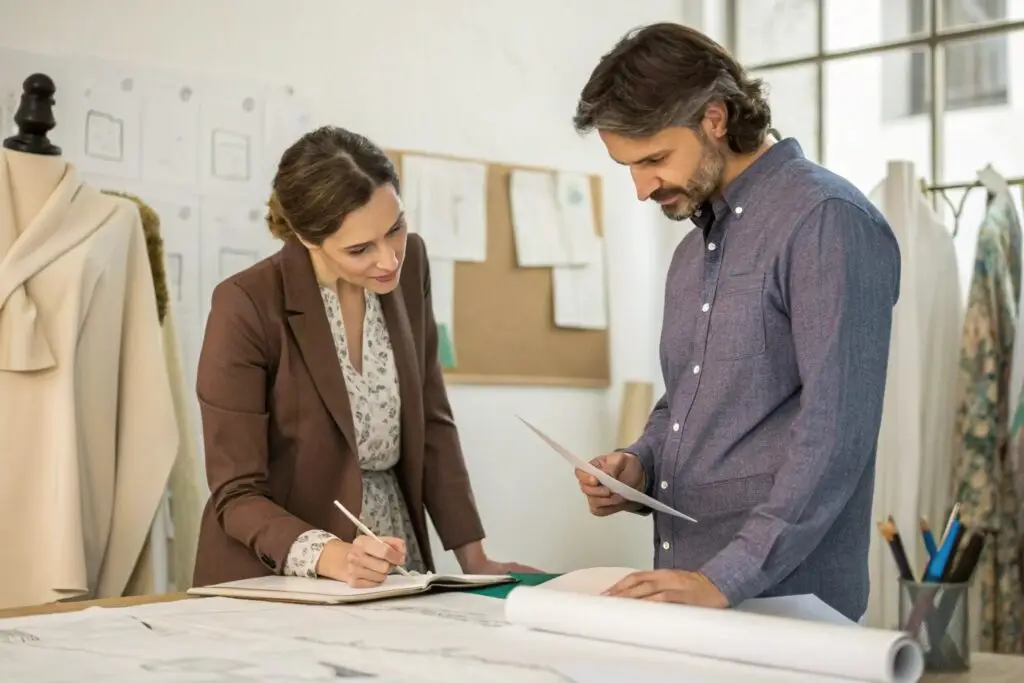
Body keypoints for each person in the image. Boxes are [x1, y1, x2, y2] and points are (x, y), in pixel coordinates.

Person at [572, 23, 900, 621]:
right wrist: (639, 463)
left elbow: (835, 433)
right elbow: (690, 402)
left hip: (790, 603)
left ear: (715, 119)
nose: (642, 188)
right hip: (690, 593)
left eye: (654, 160)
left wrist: (724, 579)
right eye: (629, 167)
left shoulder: (827, 221)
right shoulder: (691, 252)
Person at [192, 126, 538, 588]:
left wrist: (473, 557)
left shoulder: (410, 263)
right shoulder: (246, 304)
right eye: (359, 249)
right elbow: (235, 492)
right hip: (278, 571)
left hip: (393, 552)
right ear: (306, 237)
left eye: (394, 228)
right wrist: (331, 555)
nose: (388, 260)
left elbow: (431, 419)